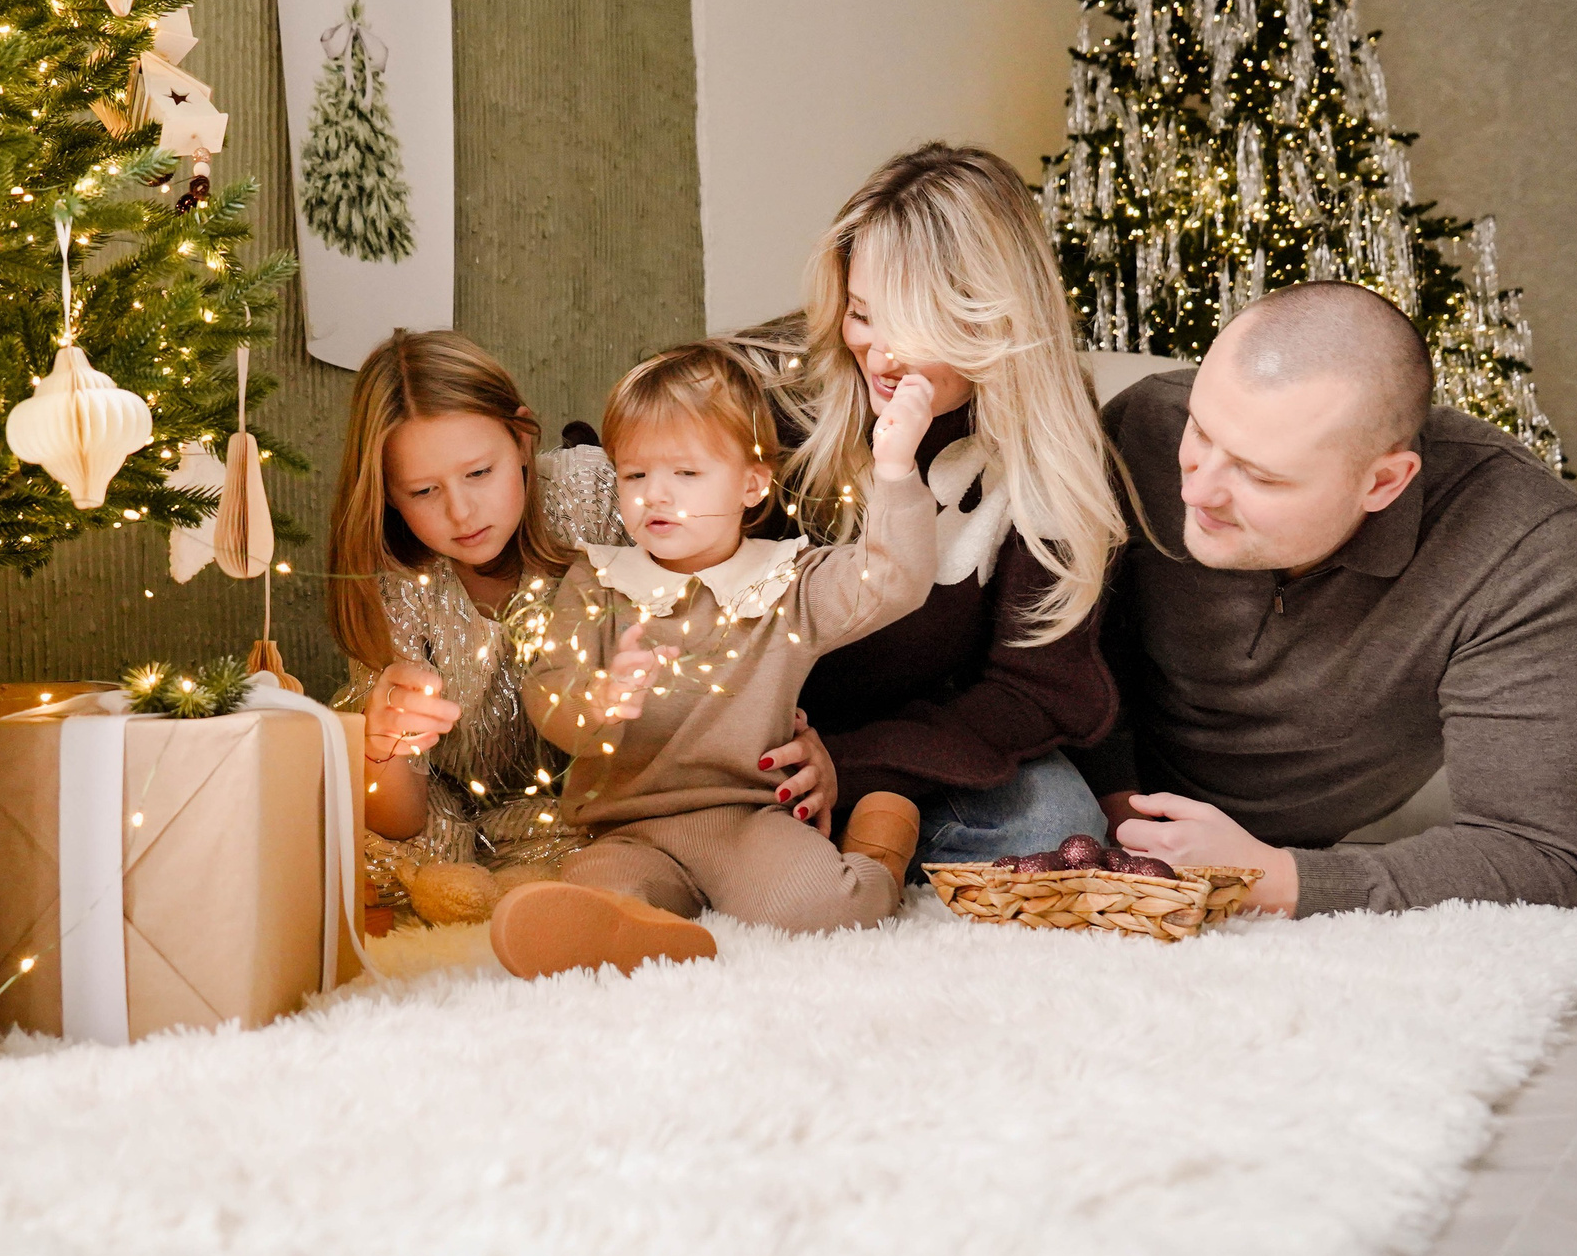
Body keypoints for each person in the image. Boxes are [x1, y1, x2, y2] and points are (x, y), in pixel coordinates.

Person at [1086, 281, 1577, 914]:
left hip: (1289, 846)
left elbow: (1538, 855)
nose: (1198, 493)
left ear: (1383, 483)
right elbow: (1072, 646)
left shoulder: (1527, 546)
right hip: (1086, 793)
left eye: (1260, 475)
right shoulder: (1143, 425)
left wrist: (1271, 879)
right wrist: (1114, 796)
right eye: (1200, 433)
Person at [325, 328, 840, 919]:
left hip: (616, 804)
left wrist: (788, 735)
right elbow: (400, 818)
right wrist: (386, 744)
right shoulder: (393, 580)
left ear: (521, 438)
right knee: (355, 852)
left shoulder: (598, 494)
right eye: (422, 491)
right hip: (455, 818)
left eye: (479, 473)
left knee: (645, 853)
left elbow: (734, 602)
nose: (461, 512)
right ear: (389, 495)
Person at [490, 341, 937, 979]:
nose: (654, 496)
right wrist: (595, 702)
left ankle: (878, 848)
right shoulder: (598, 582)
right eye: (635, 475)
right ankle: (641, 933)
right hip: (625, 830)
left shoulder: (786, 585)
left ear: (753, 483)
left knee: (822, 906)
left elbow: (895, 580)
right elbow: (547, 694)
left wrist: (893, 470)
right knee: (595, 890)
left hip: (749, 819)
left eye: (686, 474)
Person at [777, 143, 1129, 869]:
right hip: (776, 736)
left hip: (932, 740)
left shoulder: (1049, 444)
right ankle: (814, 843)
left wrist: (855, 764)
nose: (878, 357)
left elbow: (1036, 686)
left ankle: (863, 831)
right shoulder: (782, 406)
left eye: (915, 324)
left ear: (992, 320)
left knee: (1060, 824)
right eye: (863, 314)